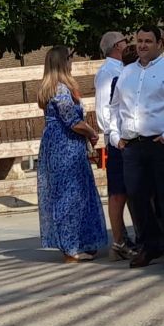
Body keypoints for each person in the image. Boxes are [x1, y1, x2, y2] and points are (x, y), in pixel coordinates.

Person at [110, 25, 164, 271]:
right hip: (133, 145)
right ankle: (148, 245)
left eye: (148, 41)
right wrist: (115, 135)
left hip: (162, 143)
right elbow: (114, 106)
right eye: (139, 41)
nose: (142, 45)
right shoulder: (127, 72)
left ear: (160, 43)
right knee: (137, 197)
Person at [36, 46, 111, 261]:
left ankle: (78, 242)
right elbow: (72, 121)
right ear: (62, 62)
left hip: (57, 143)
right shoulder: (60, 89)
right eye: (69, 58)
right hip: (65, 145)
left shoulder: (49, 88)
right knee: (70, 194)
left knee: (67, 193)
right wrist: (92, 132)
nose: (72, 61)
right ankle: (71, 247)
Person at [92, 31, 133, 259]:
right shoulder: (107, 72)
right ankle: (118, 240)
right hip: (118, 139)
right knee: (118, 192)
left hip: (125, 136)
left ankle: (127, 237)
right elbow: (103, 109)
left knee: (130, 189)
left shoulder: (122, 69)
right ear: (118, 45)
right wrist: (115, 136)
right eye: (125, 41)